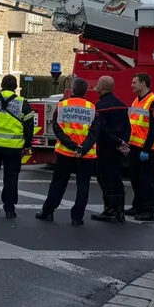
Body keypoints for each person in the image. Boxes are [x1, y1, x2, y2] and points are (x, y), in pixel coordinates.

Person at [35, 78, 100, 226]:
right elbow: (94, 133)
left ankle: (48, 212)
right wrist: (82, 149)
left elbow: (57, 129)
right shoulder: (92, 108)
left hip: (65, 152)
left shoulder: (62, 105)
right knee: (83, 186)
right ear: (85, 91)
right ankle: (77, 218)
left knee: (58, 183)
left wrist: (72, 146)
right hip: (86, 154)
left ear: (72, 89)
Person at [0, 75, 35, 218]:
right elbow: (29, 127)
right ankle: (9, 209)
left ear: (1, 85)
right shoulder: (23, 103)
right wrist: (26, 144)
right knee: (11, 178)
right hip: (14, 148)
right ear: (15, 87)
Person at [89, 76, 131, 224]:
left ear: (102, 88)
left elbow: (103, 129)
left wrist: (116, 141)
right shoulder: (122, 105)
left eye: (98, 85)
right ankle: (120, 210)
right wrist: (123, 142)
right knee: (117, 177)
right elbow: (127, 126)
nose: (96, 88)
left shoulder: (100, 106)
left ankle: (110, 210)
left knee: (106, 179)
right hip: (119, 148)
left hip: (106, 147)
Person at [126, 72, 154, 221]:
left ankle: (148, 210)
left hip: (146, 149)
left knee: (147, 180)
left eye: (134, 82)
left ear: (143, 84)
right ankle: (137, 205)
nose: (132, 85)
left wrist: (146, 149)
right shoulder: (137, 101)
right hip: (134, 146)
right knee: (135, 178)